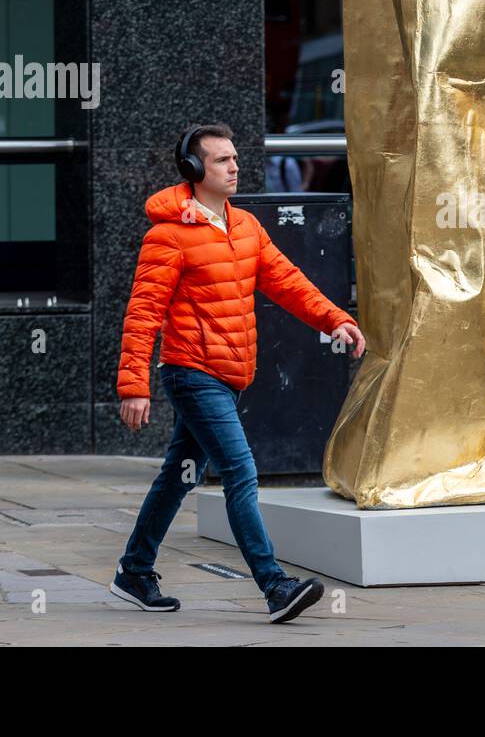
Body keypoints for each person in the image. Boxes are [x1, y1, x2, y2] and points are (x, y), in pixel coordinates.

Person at [109, 122, 365, 624]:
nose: (234, 166)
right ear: (193, 169)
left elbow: (288, 282)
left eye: (234, 158)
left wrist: (335, 317)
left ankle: (135, 570)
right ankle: (274, 586)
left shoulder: (245, 226)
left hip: (230, 373)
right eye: (222, 159)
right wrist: (133, 385)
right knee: (241, 472)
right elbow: (142, 313)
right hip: (190, 371)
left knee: (177, 476)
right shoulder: (168, 237)